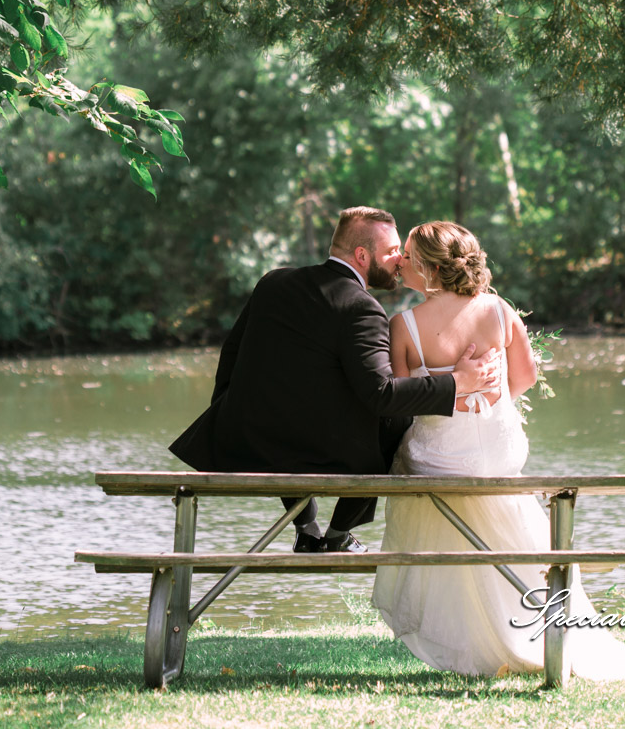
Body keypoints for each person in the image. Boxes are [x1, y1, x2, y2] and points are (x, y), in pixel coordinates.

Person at [371, 221, 625, 679]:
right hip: (499, 452)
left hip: (439, 461)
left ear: (430, 269)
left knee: (411, 459)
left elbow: (402, 402)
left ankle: (471, 638)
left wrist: (451, 397)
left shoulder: (403, 325)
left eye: (410, 258)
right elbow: (526, 378)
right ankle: (538, 623)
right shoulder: (497, 310)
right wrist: (482, 405)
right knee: (507, 509)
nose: (401, 264)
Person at [168, 207, 501, 553]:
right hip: (315, 453)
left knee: (293, 407)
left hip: (245, 442)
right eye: (391, 252)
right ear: (361, 255)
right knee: (398, 420)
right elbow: (382, 396)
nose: (399, 260)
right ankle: (339, 533)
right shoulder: (361, 306)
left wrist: (226, 410)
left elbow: (232, 354)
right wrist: (459, 382)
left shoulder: (273, 282)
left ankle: (306, 528)